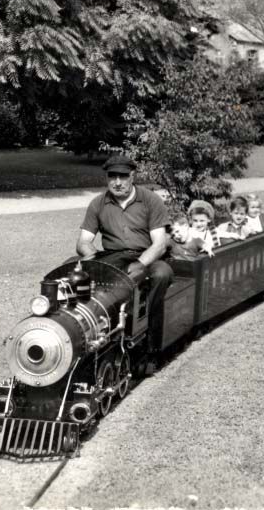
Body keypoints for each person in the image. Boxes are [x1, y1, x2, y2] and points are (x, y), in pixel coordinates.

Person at [77, 155, 173, 369]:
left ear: (133, 176)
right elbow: (83, 241)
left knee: (161, 275)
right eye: (112, 176)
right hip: (112, 256)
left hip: (146, 255)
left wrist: (140, 264)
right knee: (73, 269)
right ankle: (83, 335)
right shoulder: (98, 203)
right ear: (107, 178)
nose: (117, 182)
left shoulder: (150, 200)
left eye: (123, 176)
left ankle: (151, 350)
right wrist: (91, 258)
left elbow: (159, 244)